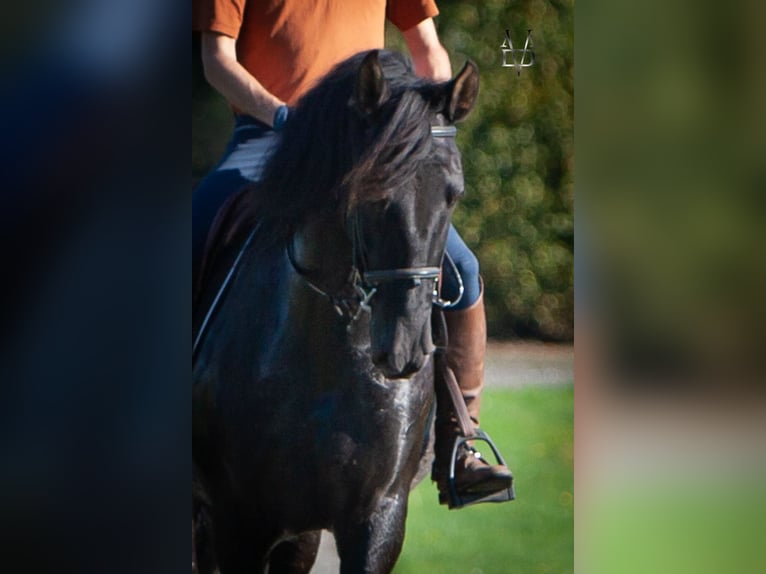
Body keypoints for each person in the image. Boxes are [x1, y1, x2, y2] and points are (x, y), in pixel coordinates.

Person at [192, 0, 511, 506]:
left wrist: (429, 115)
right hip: (272, 135)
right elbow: (217, 60)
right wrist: (282, 115)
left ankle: (461, 442)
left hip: (370, 145)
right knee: (187, 234)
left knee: (463, 271)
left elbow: (428, 49)